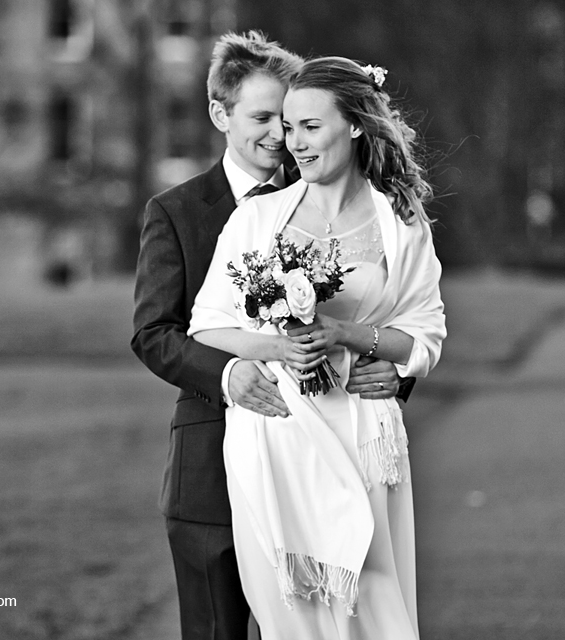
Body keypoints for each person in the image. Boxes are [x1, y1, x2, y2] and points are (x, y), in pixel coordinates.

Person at [130, 33, 407, 640]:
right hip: (211, 469)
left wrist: (396, 372)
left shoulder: (329, 194)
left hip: (322, 466)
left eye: (287, 119)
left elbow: (393, 310)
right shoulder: (176, 211)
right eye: (261, 118)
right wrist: (230, 375)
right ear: (219, 115)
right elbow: (154, 333)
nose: (280, 137)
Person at [188, 56, 446, 639]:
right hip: (275, 435)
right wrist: (280, 349)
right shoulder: (257, 219)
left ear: (354, 124)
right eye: (287, 125)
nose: (292, 142)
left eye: (309, 126)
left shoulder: (401, 225)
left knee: (374, 610)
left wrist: (350, 336)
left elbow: (426, 335)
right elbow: (205, 325)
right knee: (292, 616)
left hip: (363, 436)